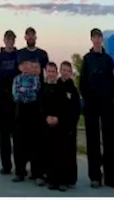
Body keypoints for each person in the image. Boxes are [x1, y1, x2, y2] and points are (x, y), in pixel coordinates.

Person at [79, 28, 114, 190]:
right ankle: (95, 176)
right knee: (93, 140)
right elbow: (82, 82)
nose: (97, 40)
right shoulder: (87, 60)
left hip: (106, 104)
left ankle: (111, 177)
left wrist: (111, 95)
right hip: (91, 104)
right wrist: (88, 97)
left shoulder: (108, 60)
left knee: (109, 141)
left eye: (99, 37)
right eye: (94, 37)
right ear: (91, 39)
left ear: (102, 39)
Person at [40, 62, 72, 191]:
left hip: (60, 125)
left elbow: (64, 106)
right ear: (46, 72)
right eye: (49, 71)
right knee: (49, 153)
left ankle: (62, 181)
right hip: (47, 125)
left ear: (56, 73)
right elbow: (40, 106)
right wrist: (46, 117)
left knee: (61, 153)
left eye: (53, 71)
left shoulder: (61, 88)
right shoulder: (42, 88)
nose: (51, 74)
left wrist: (58, 118)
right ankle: (52, 180)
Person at [11, 59, 44, 184]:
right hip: (20, 112)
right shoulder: (16, 79)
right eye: (23, 66)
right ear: (20, 67)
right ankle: (20, 172)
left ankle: (35, 172)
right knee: (19, 144)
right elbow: (15, 95)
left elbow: (34, 94)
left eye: (28, 66)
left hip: (33, 113)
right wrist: (25, 93)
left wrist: (23, 91)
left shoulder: (36, 79)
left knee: (34, 143)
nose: (26, 68)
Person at [0, 30, 21, 175]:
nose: (10, 41)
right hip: (3, 98)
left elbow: (20, 73)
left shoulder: (19, 55)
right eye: (8, 39)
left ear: (14, 40)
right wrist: (14, 72)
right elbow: (1, 74)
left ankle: (19, 166)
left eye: (12, 39)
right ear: (4, 40)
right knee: (4, 134)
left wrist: (13, 73)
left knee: (16, 134)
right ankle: (6, 165)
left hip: (15, 99)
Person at [56, 61, 82, 189]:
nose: (65, 72)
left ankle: (70, 179)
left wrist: (72, 124)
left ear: (70, 73)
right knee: (59, 153)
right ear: (60, 71)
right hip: (57, 126)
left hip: (70, 127)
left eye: (67, 70)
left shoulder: (73, 89)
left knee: (70, 153)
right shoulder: (56, 86)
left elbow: (77, 108)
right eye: (63, 70)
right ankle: (59, 180)